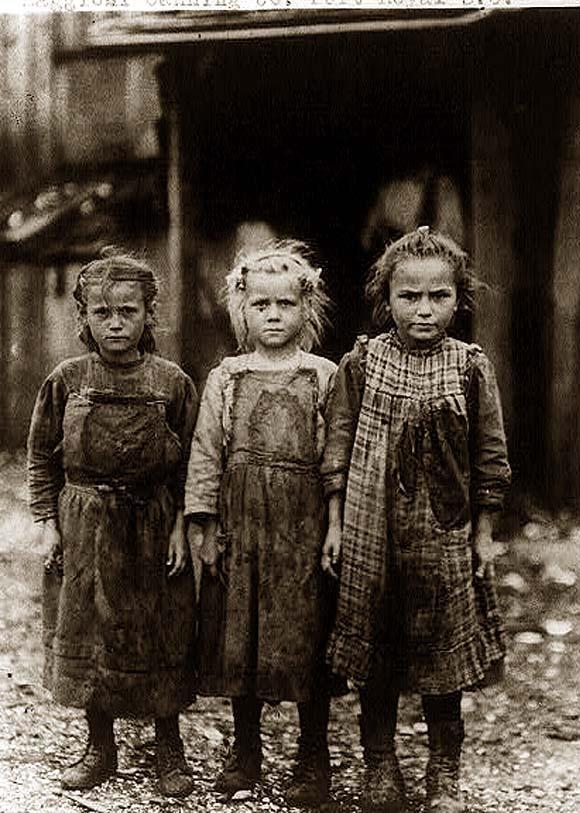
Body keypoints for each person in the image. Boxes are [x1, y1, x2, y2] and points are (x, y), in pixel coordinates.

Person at [321, 226, 511, 813]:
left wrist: (482, 534)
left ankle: (443, 772)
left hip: (443, 537)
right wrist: (334, 523)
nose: (424, 310)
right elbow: (339, 445)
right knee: (374, 653)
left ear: (458, 299)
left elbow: (490, 456)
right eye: (410, 297)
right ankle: (380, 766)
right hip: (370, 530)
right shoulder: (363, 361)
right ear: (387, 300)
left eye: (439, 297)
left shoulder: (470, 366)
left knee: (442, 657)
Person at [27, 249, 199, 798]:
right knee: (89, 629)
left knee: (160, 629)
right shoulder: (66, 379)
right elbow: (41, 457)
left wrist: (181, 528)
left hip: (153, 523)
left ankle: (168, 748)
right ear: (84, 318)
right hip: (84, 524)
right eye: (103, 313)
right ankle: (99, 746)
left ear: (150, 313)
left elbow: (193, 462)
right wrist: (48, 523)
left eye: (129, 310)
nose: (117, 322)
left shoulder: (172, 383)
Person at [185, 240, 338, 806]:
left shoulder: (323, 375)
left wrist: (335, 525)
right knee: (240, 637)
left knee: (307, 639)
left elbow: (334, 458)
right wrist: (202, 523)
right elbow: (206, 451)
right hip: (241, 528)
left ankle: (312, 756)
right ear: (242, 310)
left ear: (306, 308)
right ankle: (245, 750)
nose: (274, 316)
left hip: (302, 530)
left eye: (285, 305)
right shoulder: (225, 378)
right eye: (261, 306)